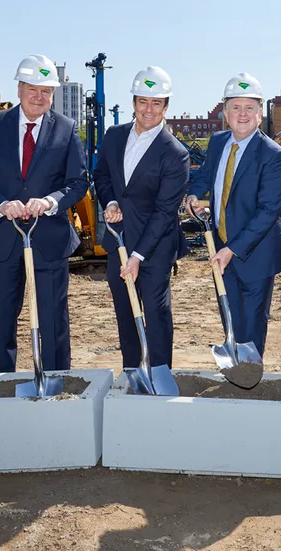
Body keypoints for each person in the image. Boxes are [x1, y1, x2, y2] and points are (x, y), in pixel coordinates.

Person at [0, 54, 89, 373]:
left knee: (53, 325)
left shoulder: (66, 129)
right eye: (33, 88)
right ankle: (4, 390)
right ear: (19, 88)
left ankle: (57, 388)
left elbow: (78, 182)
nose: (39, 96)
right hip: (2, 242)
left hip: (49, 241)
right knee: (2, 325)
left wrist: (50, 202)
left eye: (46, 91)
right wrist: (0, 204)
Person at [186, 73, 281, 355]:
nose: (242, 114)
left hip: (255, 253)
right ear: (225, 112)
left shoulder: (274, 155)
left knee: (252, 325)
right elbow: (206, 176)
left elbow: (268, 211)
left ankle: (250, 377)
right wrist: (195, 194)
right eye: (235, 107)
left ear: (259, 113)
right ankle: (235, 370)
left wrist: (232, 249)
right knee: (230, 316)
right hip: (222, 247)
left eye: (249, 108)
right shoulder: (219, 142)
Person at [93, 66, 190, 369]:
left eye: (156, 103)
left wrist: (137, 256)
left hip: (154, 249)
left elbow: (164, 212)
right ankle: (133, 372)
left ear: (166, 107)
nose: (148, 110)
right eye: (143, 102)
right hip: (118, 242)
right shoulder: (114, 136)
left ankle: (160, 374)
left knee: (155, 315)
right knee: (125, 313)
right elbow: (102, 175)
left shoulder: (175, 153)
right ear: (133, 102)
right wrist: (109, 201)